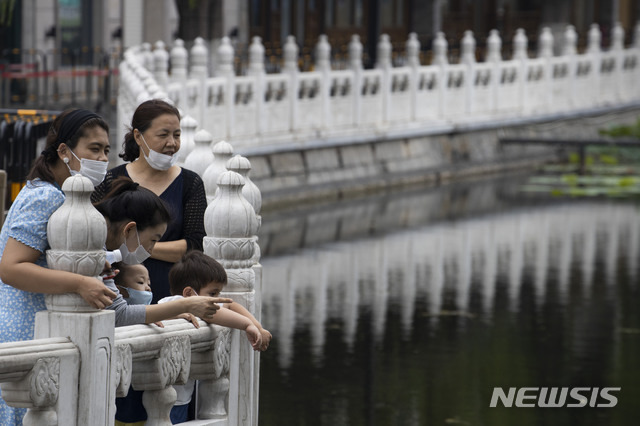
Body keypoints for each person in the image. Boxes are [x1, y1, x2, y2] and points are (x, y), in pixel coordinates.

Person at [0, 108, 118, 425]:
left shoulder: (54, 194)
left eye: (106, 150)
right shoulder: (47, 198)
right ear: (63, 151)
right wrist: (80, 284)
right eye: (94, 149)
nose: (102, 158)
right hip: (24, 327)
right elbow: (11, 268)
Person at [92, 98, 207, 304]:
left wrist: (136, 250)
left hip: (171, 293)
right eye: (163, 135)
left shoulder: (191, 183)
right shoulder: (111, 180)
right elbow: (95, 235)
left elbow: (194, 246)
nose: (172, 143)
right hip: (118, 293)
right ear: (138, 136)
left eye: (177, 135)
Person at [94, 177, 232, 327]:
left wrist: (166, 313)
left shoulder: (100, 245)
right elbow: (119, 314)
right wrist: (186, 305)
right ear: (130, 229)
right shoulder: (92, 244)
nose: (152, 249)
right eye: (153, 240)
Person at [160, 250, 271, 424]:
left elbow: (229, 304)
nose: (217, 300)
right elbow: (215, 314)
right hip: (170, 398)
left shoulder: (188, 303)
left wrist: (257, 326)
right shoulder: (172, 303)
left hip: (183, 393)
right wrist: (247, 325)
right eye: (213, 294)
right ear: (188, 294)